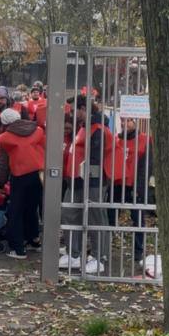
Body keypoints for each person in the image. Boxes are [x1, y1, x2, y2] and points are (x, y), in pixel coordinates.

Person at [60, 97, 111, 274]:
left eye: (74, 111)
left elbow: (96, 161)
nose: (72, 114)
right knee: (69, 214)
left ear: (84, 109)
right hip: (77, 180)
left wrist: (87, 181)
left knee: (95, 218)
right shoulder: (84, 128)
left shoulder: (98, 130)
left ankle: (99, 257)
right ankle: (74, 254)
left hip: (91, 182)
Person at [0, 109, 46, 259]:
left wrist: (1, 183)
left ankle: (18, 248)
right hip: (38, 173)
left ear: (5, 123)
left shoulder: (4, 138)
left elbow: (5, 164)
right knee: (32, 208)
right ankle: (33, 240)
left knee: (16, 211)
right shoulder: (37, 130)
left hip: (20, 175)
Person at [105, 118, 153, 262]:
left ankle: (138, 252)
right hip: (117, 184)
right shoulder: (116, 139)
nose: (124, 124)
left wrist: (139, 187)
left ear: (136, 122)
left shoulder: (145, 140)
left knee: (137, 219)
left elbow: (147, 166)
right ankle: (105, 248)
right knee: (110, 217)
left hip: (134, 185)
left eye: (129, 121)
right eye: (122, 121)